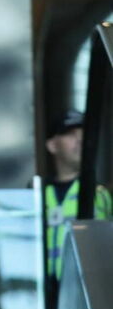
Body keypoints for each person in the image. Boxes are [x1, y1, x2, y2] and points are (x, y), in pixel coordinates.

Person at [44, 110, 111, 281]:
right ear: (52, 145)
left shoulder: (99, 193)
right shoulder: (38, 195)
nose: (80, 140)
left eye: (83, 133)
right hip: (43, 288)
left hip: (85, 285)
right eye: (71, 134)